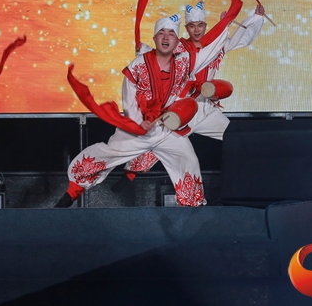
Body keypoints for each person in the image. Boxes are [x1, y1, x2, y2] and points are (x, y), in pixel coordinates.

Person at [56, 13, 233, 208]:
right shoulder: (137, 67)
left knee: (188, 161)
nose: (166, 37)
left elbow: (210, 51)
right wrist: (139, 122)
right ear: (155, 38)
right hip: (138, 130)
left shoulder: (184, 62)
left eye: (171, 34)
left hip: (167, 131)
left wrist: (226, 23)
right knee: (107, 154)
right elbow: (129, 100)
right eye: (161, 33)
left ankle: (193, 210)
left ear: (177, 42)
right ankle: (72, 192)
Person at [111, 1, 265, 192]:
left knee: (232, 135)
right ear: (186, 27)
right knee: (159, 141)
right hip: (180, 106)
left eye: (200, 25)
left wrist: (255, 18)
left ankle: (254, 174)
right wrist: (142, 50)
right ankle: (130, 175)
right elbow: (158, 55)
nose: (196, 30)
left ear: (206, 26)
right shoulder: (178, 47)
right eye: (192, 26)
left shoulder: (216, 45)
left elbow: (241, 38)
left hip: (205, 107)